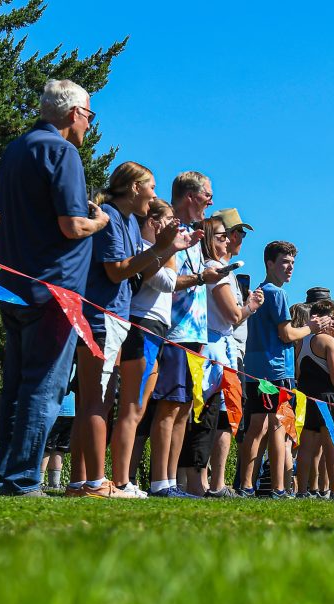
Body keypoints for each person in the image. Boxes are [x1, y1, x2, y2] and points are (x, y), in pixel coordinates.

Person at [0, 79, 111, 495]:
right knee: (45, 386)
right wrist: (101, 222)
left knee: (18, 384)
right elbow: (72, 224)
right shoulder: (62, 151)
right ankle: (23, 477)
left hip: (13, 284)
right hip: (55, 288)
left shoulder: (15, 150)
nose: (90, 126)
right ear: (75, 113)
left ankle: (4, 472)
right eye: (90, 116)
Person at [69, 162, 193, 499]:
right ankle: (95, 482)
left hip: (115, 318)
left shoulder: (121, 220)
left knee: (98, 400)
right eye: (151, 186)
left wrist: (164, 247)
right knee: (97, 400)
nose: (154, 194)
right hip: (103, 316)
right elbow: (115, 272)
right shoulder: (111, 216)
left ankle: (83, 482)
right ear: (135, 187)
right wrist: (161, 247)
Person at [238, 241, 333, 498]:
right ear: (270, 263)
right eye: (284, 262)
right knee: (280, 428)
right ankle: (279, 488)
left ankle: (246, 485)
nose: (290, 268)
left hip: (255, 369)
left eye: (292, 262)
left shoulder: (258, 292)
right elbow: (287, 333)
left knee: (257, 428)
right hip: (278, 371)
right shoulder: (278, 294)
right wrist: (311, 328)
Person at [147, 171, 218, 497]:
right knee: (169, 407)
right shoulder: (173, 229)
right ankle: (160, 481)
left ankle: (171, 481)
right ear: (190, 195)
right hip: (175, 332)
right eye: (207, 194)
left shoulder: (193, 234)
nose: (211, 201)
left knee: (185, 409)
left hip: (195, 334)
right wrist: (202, 278)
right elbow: (170, 281)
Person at [194, 213, 263, 497]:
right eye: (231, 233)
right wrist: (250, 306)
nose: (237, 239)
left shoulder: (228, 270)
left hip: (225, 350)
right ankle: (205, 481)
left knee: (225, 416)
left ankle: (215, 481)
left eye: (238, 234)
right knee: (211, 414)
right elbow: (233, 316)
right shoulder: (215, 268)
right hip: (215, 348)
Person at [295, 296, 334, 499]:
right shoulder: (328, 341)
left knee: (306, 448)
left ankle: (302, 490)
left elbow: (298, 371)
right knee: (331, 446)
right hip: (327, 398)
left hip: (308, 397)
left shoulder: (302, 340)